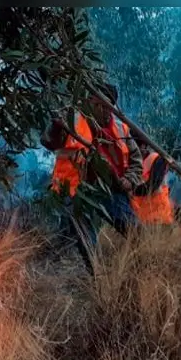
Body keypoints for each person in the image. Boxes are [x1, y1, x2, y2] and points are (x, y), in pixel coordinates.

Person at [42, 84, 143, 271]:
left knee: (135, 232)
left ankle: (140, 270)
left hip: (111, 190)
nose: (99, 109)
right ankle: (98, 279)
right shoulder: (72, 120)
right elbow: (49, 142)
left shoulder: (121, 129)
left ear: (111, 107)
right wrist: (55, 126)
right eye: (95, 103)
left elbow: (136, 162)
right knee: (87, 245)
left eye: (104, 105)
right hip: (76, 192)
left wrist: (129, 180)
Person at [130, 143, 175, 225]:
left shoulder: (156, 159)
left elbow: (152, 186)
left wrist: (131, 190)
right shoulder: (132, 163)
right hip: (143, 216)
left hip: (159, 216)